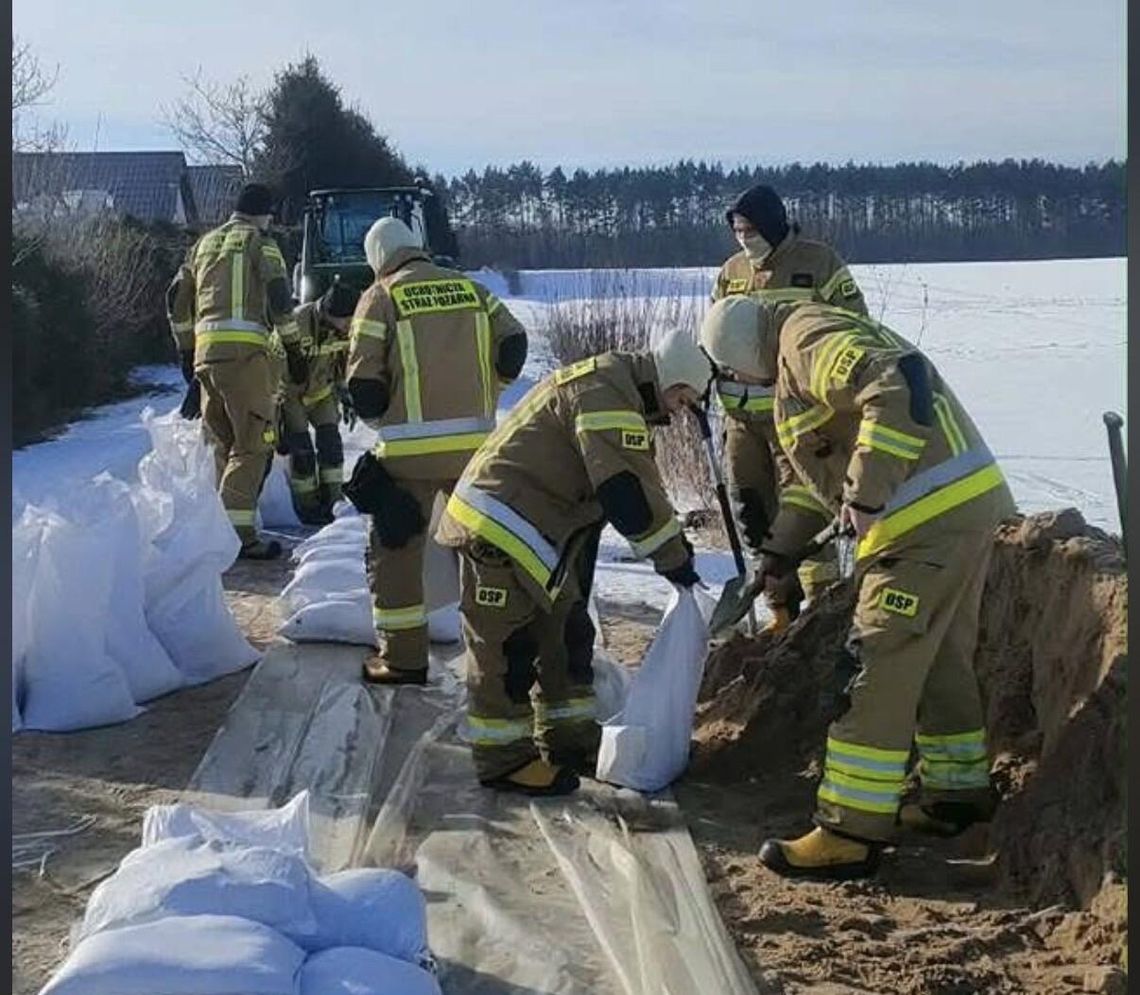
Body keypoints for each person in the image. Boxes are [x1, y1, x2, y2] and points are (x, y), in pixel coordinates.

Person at [699, 295, 1015, 879]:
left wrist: (869, 491)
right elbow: (814, 481)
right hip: (959, 511)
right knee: (940, 657)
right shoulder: (799, 356)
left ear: (743, 350)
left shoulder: (805, 336)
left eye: (733, 371)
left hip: (923, 523)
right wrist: (778, 552)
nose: (739, 383)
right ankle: (956, 794)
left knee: (873, 663)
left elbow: (898, 383)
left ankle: (849, 830)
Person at [434, 330, 712, 796]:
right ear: (670, 378)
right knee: (506, 646)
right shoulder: (609, 397)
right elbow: (626, 493)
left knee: (566, 634)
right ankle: (504, 759)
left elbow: (634, 484)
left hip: (535, 531)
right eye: (682, 398)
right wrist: (674, 560)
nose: (678, 411)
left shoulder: (616, 387)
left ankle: (569, 740)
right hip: (499, 527)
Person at [345, 217, 529, 685]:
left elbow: (363, 385)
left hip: (408, 456)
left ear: (378, 259)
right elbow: (514, 344)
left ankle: (403, 658)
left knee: (397, 549)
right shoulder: (471, 290)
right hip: (475, 451)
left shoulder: (382, 296)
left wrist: (385, 421)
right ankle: (498, 654)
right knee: (483, 552)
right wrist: (491, 390)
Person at [712, 184, 868, 614]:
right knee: (753, 509)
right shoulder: (731, 272)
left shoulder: (819, 264)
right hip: (741, 415)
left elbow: (855, 327)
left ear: (773, 225)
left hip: (800, 413)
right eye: (738, 230)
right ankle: (779, 609)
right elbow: (716, 334)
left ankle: (823, 604)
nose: (745, 238)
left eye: (751, 229)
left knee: (806, 503)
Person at [166, 182, 307, 559]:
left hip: (206, 359)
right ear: (264, 213)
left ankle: (219, 533)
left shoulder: (203, 245)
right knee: (253, 442)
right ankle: (237, 538)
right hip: (245, 357)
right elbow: (279, 297)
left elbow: (176, 301)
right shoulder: (261, 244)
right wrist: (293, 348)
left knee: (220, 444)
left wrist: (186, 355)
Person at [273, 281, 360, 525]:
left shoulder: (342, 330)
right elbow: (272, 367)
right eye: (346, 320)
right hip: (291, 397)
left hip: (321, 393)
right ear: (331, 314)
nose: (349, 326)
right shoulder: (297, 323)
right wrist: (274, 416)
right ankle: (308, 506)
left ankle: (333, 501)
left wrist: (345, 394)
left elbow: (342, 362)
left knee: (332, 446)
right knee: (302, 454)